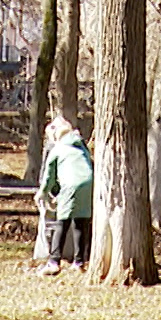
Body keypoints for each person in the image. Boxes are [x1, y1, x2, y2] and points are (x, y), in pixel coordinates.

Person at [36, 116, 93, 276]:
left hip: (70, 185)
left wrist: (42, 193)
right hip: (89, 183)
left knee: (62, 223)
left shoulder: (58, 149)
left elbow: (49, 176)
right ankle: (79, 262)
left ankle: (54, 262)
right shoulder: (81, 145)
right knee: (80, 222)